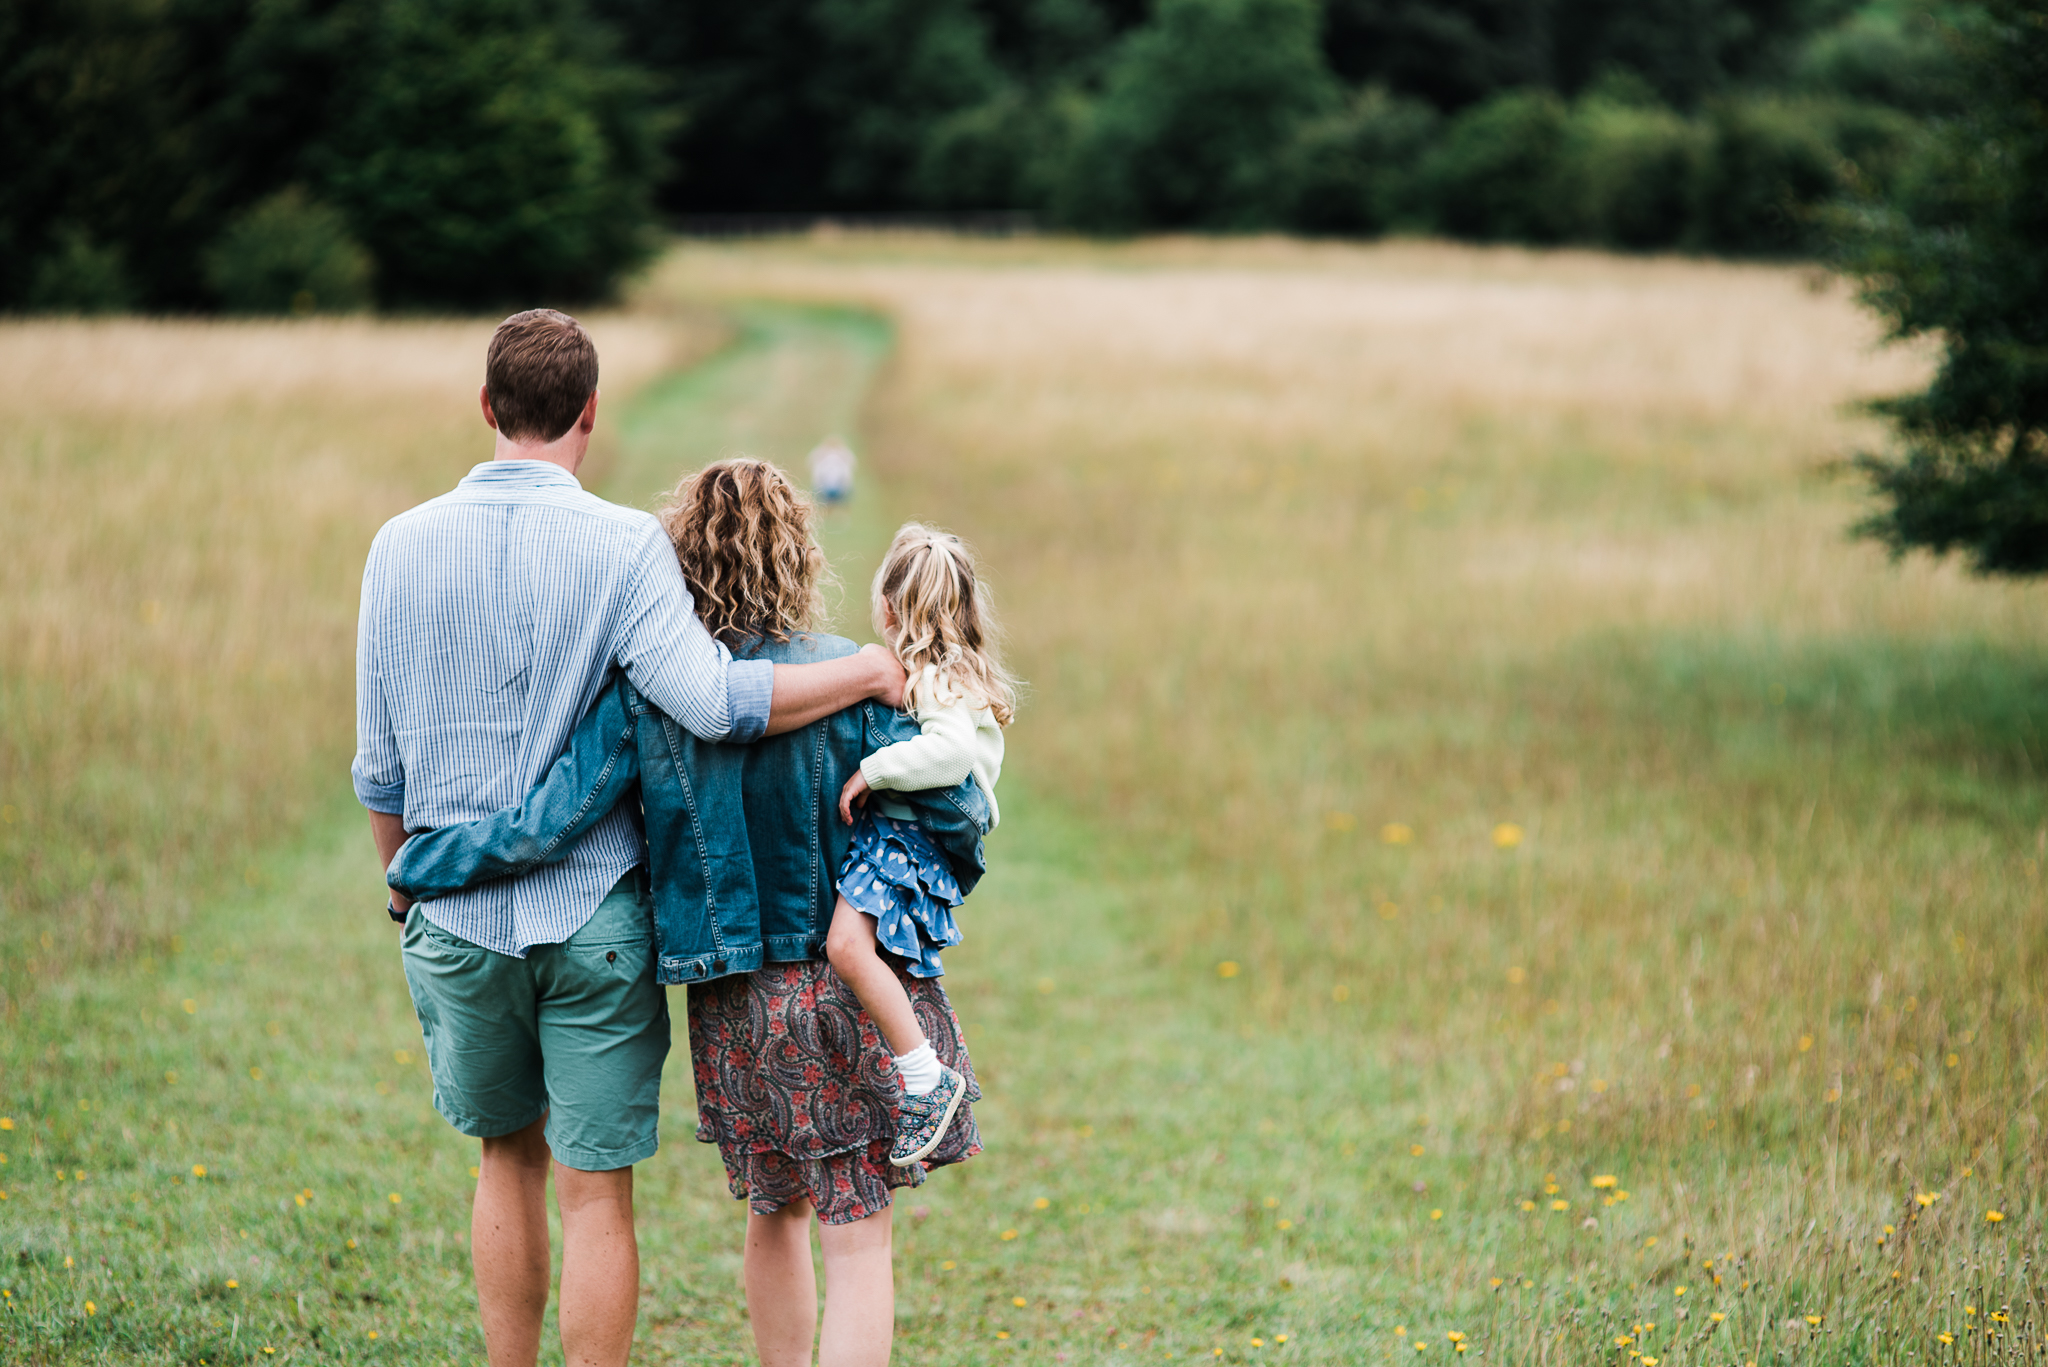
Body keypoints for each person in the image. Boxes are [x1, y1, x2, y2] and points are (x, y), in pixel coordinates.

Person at [352, 314, 906, 1367]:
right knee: (595, 1192)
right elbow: (709, 700)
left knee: (502, 1160)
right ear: (590, 414)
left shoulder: (398, 543)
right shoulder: (623, 547)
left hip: (454, 919)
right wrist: (868, 672)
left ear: (486, 407)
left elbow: (379, 766)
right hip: (595, 918)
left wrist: (403, 886)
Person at [826, 524, 1014, 1166]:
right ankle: (918, 1075)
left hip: (909, 842)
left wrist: (872, 772)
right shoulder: (944, 676)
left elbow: (952, 751)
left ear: (890, 607)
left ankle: (926, 1080)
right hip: (905, 839)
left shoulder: (935, 680)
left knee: (847, 945)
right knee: (857, 947)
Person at [809, 434, 856, 504]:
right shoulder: (822, 456)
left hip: (839, 486)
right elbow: (811, 460)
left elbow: (852, 461)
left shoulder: (842, 456)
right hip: (824, 486)